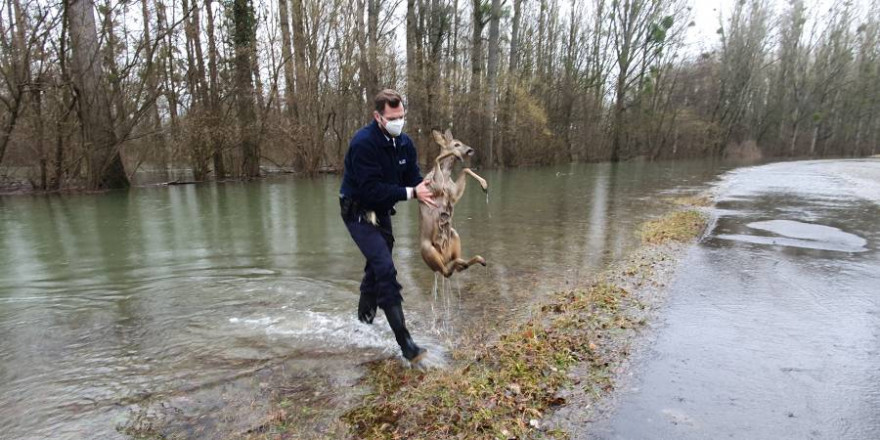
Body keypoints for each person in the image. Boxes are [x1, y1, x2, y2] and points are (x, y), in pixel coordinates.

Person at [339, 89, 435, 364]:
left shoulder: (405, 144)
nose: (398, 122)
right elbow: (371, 191)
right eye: (393, 118)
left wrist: (430, 191)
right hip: (357, 210)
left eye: (402, 116)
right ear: (377, 117)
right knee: (384, 266)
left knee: (376, 264)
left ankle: (363, 324)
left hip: (381, 212)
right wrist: (412, 193)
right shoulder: (363, 144)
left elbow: (414, 178)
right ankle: (406, 344)